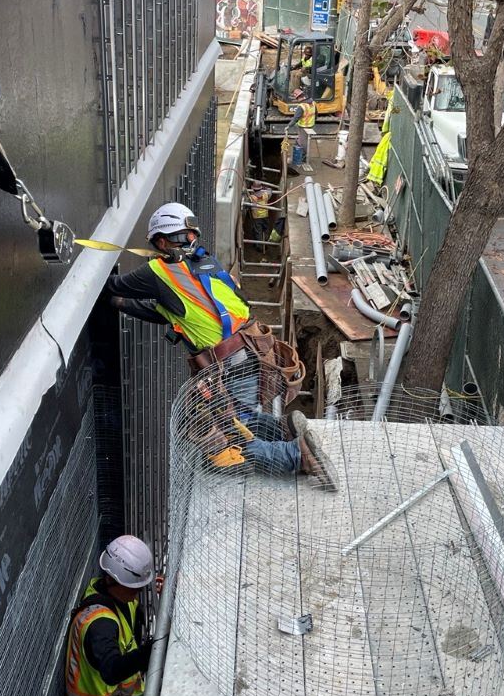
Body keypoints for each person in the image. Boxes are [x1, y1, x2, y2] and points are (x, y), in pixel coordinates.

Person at [105, 203, 338, 490]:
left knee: (230, 434)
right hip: (253, 351)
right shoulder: (204, 264)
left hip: (231, 363)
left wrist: (106, 291)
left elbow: (114, 285)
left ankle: (298, 456)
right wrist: (122, 306)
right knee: (236, 414)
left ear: (162, 241)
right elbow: (168, 310)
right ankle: (281, 429)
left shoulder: (159, 272)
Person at [63, 536, 154, 696]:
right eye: (134, 587)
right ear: (114, 580)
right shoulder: (99, 624)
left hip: (126, 695)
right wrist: (149, 653)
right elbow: (111, 670)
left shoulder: (119, 596)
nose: (139, 591)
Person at [285, 89, 317, 161]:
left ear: (300, 97)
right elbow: (316, 114)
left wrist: (288, 126)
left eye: (297, 98)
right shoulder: (313, 103)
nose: (297, 100)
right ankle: (298, 153)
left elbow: (295, 118)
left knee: (303, 143)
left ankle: (303, 158)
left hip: (303, 127)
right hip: (311, 125)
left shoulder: (301, 106)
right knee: (301, 140)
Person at [249, 180, 271, 247]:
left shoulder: (252, 198)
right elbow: (270, 190)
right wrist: (265, 188)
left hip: (257, 217)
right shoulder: (265, 195)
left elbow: (247, 200)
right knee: (266, 229)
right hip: (265, 215)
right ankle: (267, 243)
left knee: (258, 231)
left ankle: (259, 247)